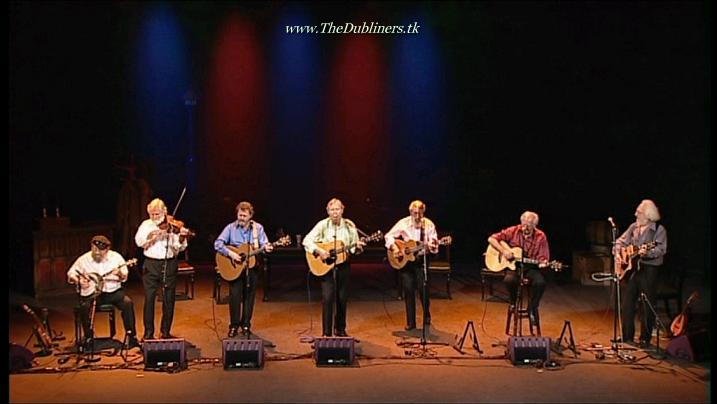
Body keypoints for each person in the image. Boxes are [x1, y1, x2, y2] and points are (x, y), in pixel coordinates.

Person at [303, 198, 365, 337]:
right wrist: (319, 251)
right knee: (327, 298)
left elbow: (353, 248)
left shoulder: (349, 226)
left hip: (343, 266)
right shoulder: (322, 225)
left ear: (342, 210)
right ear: (328, 211)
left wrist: (357, 247)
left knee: (342, 298)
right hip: (327, 267)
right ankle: (326, 333)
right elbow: (306, 240)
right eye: (332, 210)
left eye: (337, 209)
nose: (335, 212)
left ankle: (340, 330)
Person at [67, 235, 140, 349]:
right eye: (94, 249)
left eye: (100, 250)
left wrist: (119, 273)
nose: (97, 252)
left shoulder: (116, 257)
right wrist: (79, 280)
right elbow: (71, 273)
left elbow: (124, 277)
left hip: (112, 292)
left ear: (107, 249)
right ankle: (89, 338)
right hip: (92, 294)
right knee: (84, 307)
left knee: (127, 303)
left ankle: (132, 337)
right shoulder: (84, 259)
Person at [214, 201, 274, 337]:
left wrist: (268, 248)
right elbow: (218, 244)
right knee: (235, 297)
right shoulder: (230, 228)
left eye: (244, 216)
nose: (241, 218)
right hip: (234, 267)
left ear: (250, 216)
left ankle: (246, 324)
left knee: (249, 296)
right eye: (239, 215)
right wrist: (231, 254)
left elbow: (264, 244)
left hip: (252, 267)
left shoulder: (258, 228)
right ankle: (234, 326)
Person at [134, 198, 190, 340]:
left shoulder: (172, 225)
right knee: (149, 299)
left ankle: (165, 332)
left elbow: (179, 247)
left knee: (168, 299)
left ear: (164, 211)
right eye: (152, 214)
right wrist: (153, 236)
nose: (154, 217)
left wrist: (182, 237)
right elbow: (139, 242)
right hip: (151, 264)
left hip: (169, 263)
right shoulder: (146, 225)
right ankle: (148, 333)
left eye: (157, 214)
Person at [615, 199, 667, 348]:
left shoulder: (659, 230)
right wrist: (619, 253)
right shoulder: (633, 227)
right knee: (627, 302)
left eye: (639, 212)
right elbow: (619, 242)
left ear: (648, 215)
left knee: (646, 304)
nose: (635, 214)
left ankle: (645, 338)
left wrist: (647, 253)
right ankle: (627, 336)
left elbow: (661, 249)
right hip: (633, 269)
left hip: (649, 269)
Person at [488, 211, 550, 333]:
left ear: (535, 225)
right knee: (509, 280)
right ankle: (513, 303)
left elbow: (543, 257)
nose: (525, 228)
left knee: (540, 283)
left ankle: (532, 307)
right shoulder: (514, 230)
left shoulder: (541, 236)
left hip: (530, 267)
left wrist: (543, 263)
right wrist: (504, 251)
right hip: (514, 267)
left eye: (529, 225)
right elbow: (491, 239)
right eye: (524, 224)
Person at [384, 200, 439, 331]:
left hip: (421, 260)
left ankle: (426, 314)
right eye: (415, 213)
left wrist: (433, 246)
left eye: (420, 213)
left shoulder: (429, 225)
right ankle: (411, 322)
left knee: (423, 289)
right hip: (406, 262)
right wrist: (395, 248)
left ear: (423, 212)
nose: (417, 216)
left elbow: (434, 245)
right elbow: (388, 236)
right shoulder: (403, 223)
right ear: (410, 212)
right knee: (408, 290)